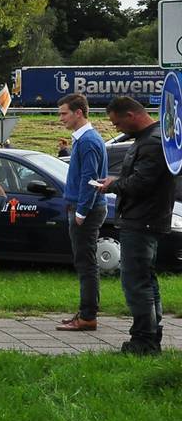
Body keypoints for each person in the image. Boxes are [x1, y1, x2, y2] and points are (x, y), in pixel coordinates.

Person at [97, 97, 172, 355]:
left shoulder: (151, 143)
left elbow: (141, 184)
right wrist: (119, 180)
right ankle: (150, 335)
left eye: (117, 123)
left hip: (141, 220)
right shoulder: (150, 139)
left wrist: (112, 185)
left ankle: (144, 341)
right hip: (145, 218)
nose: (117, 129)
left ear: (131, 115)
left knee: (136, 283)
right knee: (146, 281)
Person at [56, 94, 107, 332]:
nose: (60, 118)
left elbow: (90, 179)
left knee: (86, 264)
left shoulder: (87, 141)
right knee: (84, 262)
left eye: (64, 113)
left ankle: (88, 316)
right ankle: (85, 312)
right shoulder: (82, 139)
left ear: (79, 113)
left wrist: (82, 212)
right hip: (80, 206)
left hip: (85, 209)